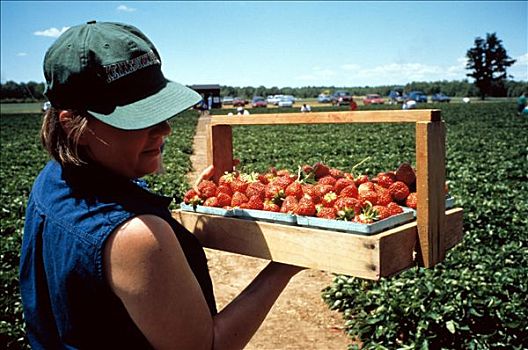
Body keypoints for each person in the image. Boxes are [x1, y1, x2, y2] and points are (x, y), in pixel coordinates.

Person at [19, 21, 303, 349]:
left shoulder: (53, 179)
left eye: (161, 112)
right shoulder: (132, 236)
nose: (165, 130)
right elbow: (208, 346)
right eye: (140, 119)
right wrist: (284, 264)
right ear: (74, 125)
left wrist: (195, 205)